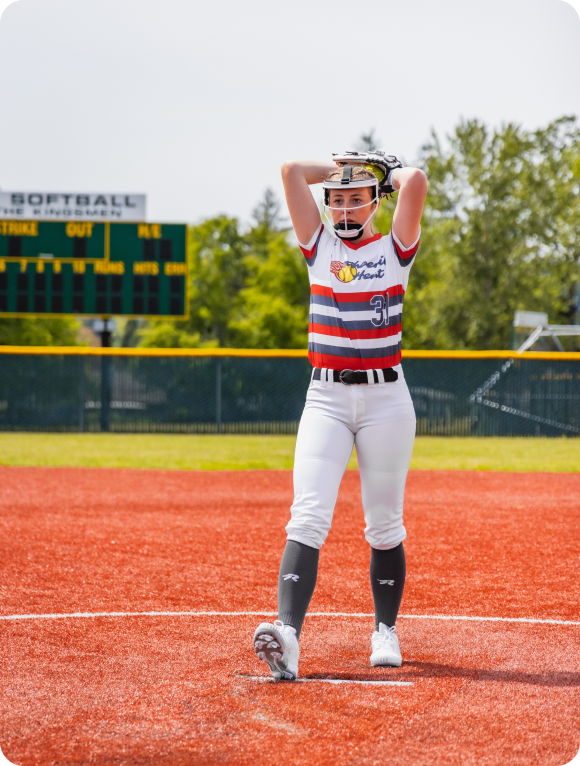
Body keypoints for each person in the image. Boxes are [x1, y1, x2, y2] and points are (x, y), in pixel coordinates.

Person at [253, 150, 428, 680]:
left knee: (384, 524)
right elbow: (290, 172)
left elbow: (415, 180)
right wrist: (344, 166)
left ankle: (385, 629)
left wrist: (381, 170)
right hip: (324, 398)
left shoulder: (396, 251)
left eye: (357, 200)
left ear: (375, 202)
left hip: (386, 401)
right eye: (337, 200)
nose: (346, 210)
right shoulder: (319, 246)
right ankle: (287, 635)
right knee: (306, 515)